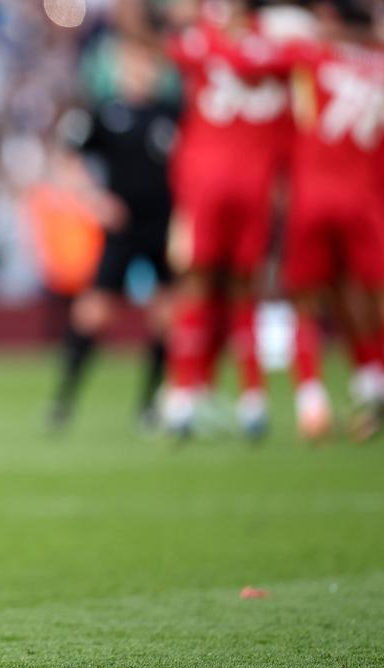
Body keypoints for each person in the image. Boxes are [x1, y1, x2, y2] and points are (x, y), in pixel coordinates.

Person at [269, 0, 384, 440]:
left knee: (306, 298)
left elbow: (267, 55)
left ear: (330, 20)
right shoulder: (382, 64)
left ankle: (312, 401)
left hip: (315, 194)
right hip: (365, 197)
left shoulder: (310, 54)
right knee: (382, 296)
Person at [161, 0, 293, 440]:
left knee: (195, 285)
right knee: (243, 292)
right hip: (255, 181)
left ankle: (182, 396)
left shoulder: (205, 39)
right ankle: (251, 400)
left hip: (208, 180)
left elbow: (172, 46)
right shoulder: (279, 47)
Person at [47, 34, 178, 433]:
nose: (140, 74)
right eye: (132, 65)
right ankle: (63, 401)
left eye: (146, 65)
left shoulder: (172, 113)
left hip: (163, 225)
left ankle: (151, 405)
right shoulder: (104, 113)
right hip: (122, 229)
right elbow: (67, 159)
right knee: (94, 313)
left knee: (167, 317)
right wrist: (96, 202)